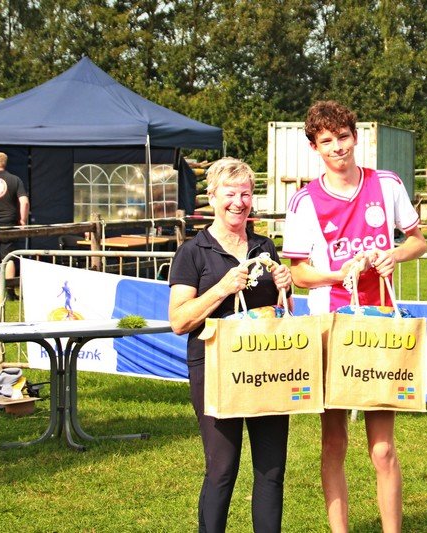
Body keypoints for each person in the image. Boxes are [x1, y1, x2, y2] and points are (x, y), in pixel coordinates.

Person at [282, 100, 427, 533]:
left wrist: (394, 254)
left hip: (381, 326)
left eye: (343, 137)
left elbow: (418, 241)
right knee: (334, 443)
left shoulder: (387, 184)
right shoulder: (304, 201)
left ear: (355, 136)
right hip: (331, 326)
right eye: (327, 141)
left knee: (383, 449)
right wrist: (337, 273)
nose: (337, 147)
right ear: (315, 147)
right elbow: (298, 273)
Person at [168, 157, 293, 533]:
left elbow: (281, 313)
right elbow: (179, 321)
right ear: (211, 197)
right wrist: (222, 288)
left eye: (246, 194)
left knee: (271, 469)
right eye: (230, 194)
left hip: (267, 369)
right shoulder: (193, 252)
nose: (238, 202)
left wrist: (286, 288)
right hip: (215, 370)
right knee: (222, 468)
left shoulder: (264, 246)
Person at [0, 152, 29, 300]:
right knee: (8, 258)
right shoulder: (15, 179)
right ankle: (8, 292)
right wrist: (23, 220)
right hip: (8, 223)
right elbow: (24, 202)